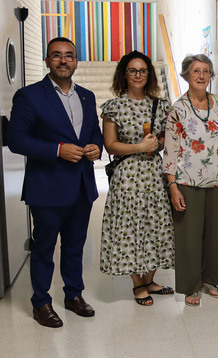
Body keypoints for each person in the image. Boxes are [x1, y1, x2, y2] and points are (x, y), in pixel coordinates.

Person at [8, 37, 103, 328]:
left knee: (75, 245)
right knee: (44, 247)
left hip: (81, 186)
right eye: (57, 56)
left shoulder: (86, 95)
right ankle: (41, 302)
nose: (64, 60)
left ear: (76, 61)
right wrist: (56, 150)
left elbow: (94, 132)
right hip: (47, 187)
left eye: (69, 56)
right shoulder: (29, 96)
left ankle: (74, 295)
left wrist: (96, 147)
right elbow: (16, 140)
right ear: (47, 61)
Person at [100, 50, 175, 306]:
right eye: (132, 70)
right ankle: (138, 284)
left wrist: (157, 143)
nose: (138, 75)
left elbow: (167, 137)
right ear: (124, 74)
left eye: (143, 70)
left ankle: (151, 278)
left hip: (155, 175)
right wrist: (138, 148)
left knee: (157, 226)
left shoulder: (161, 105)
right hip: (128, 176)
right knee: (130, 228)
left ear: (149, 74)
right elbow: (110, 145)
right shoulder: (114, 107)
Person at [163, 54, 218, 307]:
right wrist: (172, 186)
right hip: (187, 181)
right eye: (196, 71)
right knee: (189, 237)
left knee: (217, 235)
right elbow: (169, 150)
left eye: (206, 71)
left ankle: (210, 280)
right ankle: (191, 285)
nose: (202, 76)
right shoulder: (177, 109)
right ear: (186, 76)